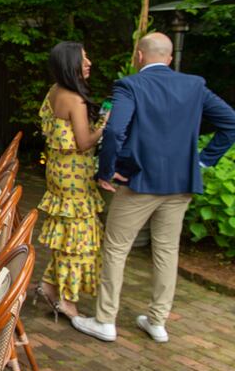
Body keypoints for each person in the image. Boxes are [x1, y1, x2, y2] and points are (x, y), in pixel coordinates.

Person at [72, 32, 235, 343]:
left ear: (139, 56)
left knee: (117, 248)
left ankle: (105, 320)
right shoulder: (194, 85)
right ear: (170, 59)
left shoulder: (130, 85)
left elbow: (116, 129)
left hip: (139, 182)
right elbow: (231, 122)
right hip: (180, 184)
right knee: (166, 250)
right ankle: (157, 321)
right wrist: (202, 162)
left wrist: (107, 171)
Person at [34, 42, 106, 321]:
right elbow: (84, 142)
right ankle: (66, 300)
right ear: (70, 64)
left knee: (67, 236)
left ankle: (51, 287)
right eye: (83, 58)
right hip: (74, 177)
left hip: (58, 172)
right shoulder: (74, 99)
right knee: (79, 240)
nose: (89, 62)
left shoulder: (54, 91)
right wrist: (104, 126)